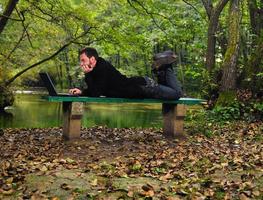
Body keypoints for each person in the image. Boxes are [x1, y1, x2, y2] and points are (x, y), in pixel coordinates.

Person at [69, 47, 182, 100]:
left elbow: (96, 93)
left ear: (92, 59)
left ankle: (165, 65)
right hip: (141, 86)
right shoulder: (98, 68)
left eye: (83, 60)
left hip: (144, 88)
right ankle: (161, 68)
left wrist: (87, 74)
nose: (81, 64)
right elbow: (98, 88)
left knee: (177, 94)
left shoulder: (101, 68)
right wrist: (82, 91)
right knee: (171, 91)